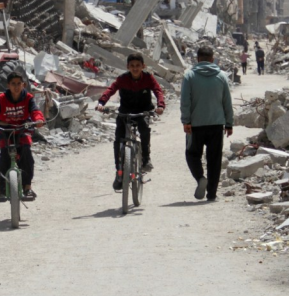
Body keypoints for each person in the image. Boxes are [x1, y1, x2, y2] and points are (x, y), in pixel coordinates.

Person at [96, 53, 166, 191]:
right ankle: (119, 172)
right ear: (128, 67)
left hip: (143, 112)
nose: (135, 68)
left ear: (143, 66)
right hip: (125, 112)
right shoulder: (122, 79)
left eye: (138, 66)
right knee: (119, 139)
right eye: (132, 66)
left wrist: (160, 105)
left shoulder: (148, 78)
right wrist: (101, 102)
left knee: (144, 130)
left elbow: (158, 90)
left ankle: (146, 158)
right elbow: (111, 90)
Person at [0, 72, 46, 201]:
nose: (16, 87)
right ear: (8, 85)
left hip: (23, 129)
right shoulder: (1, 99)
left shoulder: (28, 98)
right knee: (4, 156)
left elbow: (35, 111)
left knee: (26, 154)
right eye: (13, 84)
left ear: (23, 85)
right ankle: (2, 184)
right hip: (6, 130)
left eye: (19, 84)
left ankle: (27, 187)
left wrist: (39, 120)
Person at [181, 46, 234, 201]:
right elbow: (227, 102)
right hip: (216, 125)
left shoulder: (189, 76)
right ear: (212, 59)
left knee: (192, 154)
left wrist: (186, 121)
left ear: (198, 59)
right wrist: (229, 123)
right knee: (214, 160)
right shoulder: (222, 76)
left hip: (195, 126)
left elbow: (185, 101)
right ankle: (212, 194)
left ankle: (200, 178)